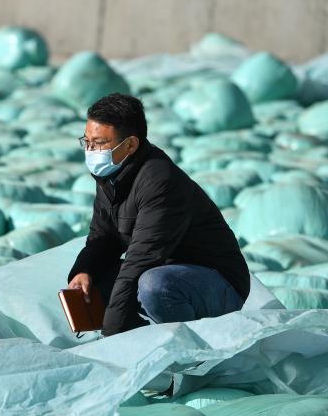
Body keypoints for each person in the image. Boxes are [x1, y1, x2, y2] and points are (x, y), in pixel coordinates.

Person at [67, 93, 250, 337]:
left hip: (216, 283)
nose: (90, 151)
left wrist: (111, 332)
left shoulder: (160, 181)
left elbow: (143, 257)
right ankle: (138, 345)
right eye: (86, 141)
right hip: (165, 269)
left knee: (154, 286)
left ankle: (190, 356)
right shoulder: (110, 177)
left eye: (99, 143)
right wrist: (84, 270)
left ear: (131, 144)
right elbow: (103, 237)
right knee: (94, 281)